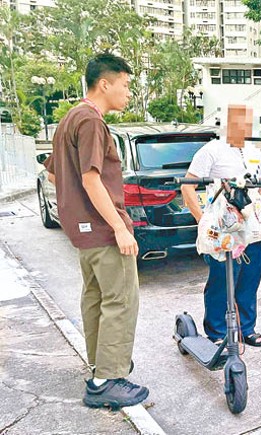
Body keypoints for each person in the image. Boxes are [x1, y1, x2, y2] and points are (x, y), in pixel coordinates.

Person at [43, 53, 149, 408]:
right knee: (120, 301)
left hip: (83, 234)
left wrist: (76, 211)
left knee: (96, 300)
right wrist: (119, 226)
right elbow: (91, 179)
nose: (128, 93)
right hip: (104, 232)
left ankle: (99, 366)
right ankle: (107, 381)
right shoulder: (91, 121)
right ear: (105, 83)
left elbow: (54, 174)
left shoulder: (70, 118)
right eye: (125, 84)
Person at [181, 105, 261, 347]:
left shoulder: (253, 152)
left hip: (250, 227)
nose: (242, 127)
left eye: (246, 122)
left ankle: (246, 328)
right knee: (222, 279)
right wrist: (203, 222)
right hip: (223, 227)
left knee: (250, 277)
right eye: (236, 122)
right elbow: (187, 187)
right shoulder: (211, 151)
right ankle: (217, 331)